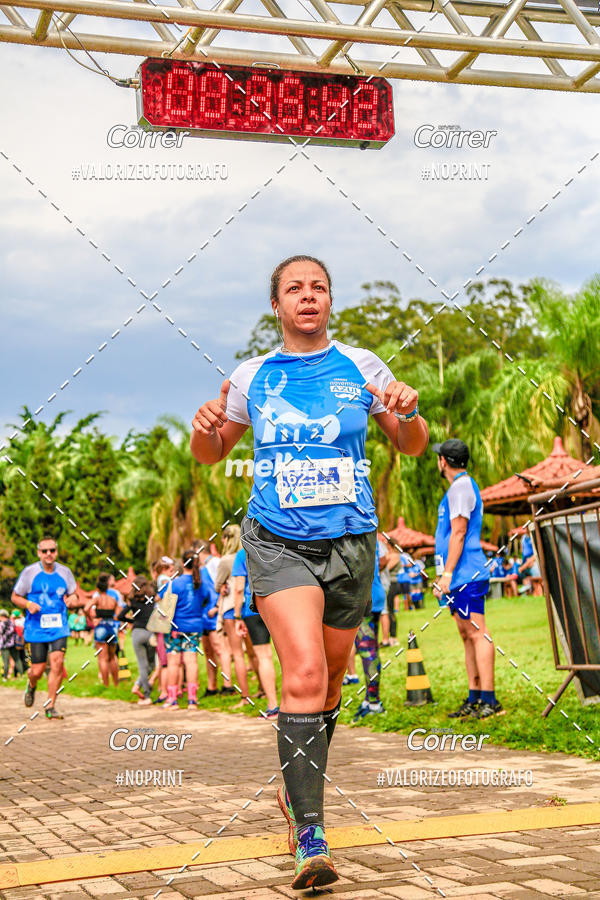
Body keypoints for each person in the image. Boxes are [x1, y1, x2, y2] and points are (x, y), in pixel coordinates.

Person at [191, 255, 428, 889]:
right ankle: (310, 832)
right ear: (276, 305)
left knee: (328, 685)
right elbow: (212, 454)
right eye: (294, 288)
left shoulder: (363, 366)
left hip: (350, 542)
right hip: (277, 539)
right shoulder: (253, 376)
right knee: (302, 673)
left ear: (330, 300)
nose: (307, 296)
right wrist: (204, 427)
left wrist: (407, 410)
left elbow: (411, 444)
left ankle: (296, 787)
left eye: (318, 287)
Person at [432, 439, 503, 720]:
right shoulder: (457, 488)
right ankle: (474, 697)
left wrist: (447, 574)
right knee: (466, 635)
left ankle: (490, 700)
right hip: (457, 575)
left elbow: (459, 532)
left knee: (477, 631)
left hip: (466, 573)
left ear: (444, 462)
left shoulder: (461, 487)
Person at [11, 535, 79, 719]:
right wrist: (27, 604)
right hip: (36, 629)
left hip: (59, 627)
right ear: (38, 553)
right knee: (37, 670)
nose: (49, 554)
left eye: (52, 550)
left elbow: (74, 594)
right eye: (44, 551)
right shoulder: (29, 572)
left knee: (57, 663)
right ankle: (31, 684)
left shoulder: (65, 572)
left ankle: (50, 706)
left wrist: (73, 599)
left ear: (56, 552)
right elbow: (15, 596)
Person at [231, 546, 279, 717]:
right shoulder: (276, 547)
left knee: (264, 656)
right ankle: (295, 706)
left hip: (254, 608)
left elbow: (238, 588)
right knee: (287, 656)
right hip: (278, 605)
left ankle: (273, 705)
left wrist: (237, 616)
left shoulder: (243, 553)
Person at [158, 549, 208, 709]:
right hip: (195, 626)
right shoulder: (200, 583)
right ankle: (192, 699)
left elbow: (160, 598)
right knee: (191, 661)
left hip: (175, 628)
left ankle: (172, 699)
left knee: (173, 663)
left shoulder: (174, 583)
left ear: (182, 563)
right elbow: (207, 599)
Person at [352, 539, 387, 721]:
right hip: (375, 592)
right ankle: (370, 699)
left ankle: (374, 702)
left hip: (364, 596)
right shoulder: (369, 527)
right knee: (371, 649)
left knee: (368, 650)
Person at [215, 525, 247, 698]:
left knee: (238, 653)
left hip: (231, 608)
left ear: (227, 539)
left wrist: (221, 587)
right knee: (257, 653)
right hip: (250, 605)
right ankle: (263, 691)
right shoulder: (248, 555)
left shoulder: (226, 560)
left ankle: (244, 697)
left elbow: (217, 585)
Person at [117, 578, 157, 705]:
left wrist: (133, 621)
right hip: (150, 633)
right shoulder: (152, 600)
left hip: (137, 633)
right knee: (152, 665)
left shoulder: (132, 601)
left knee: (142, 665)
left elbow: (120, 616)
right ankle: (140, 687)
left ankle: (146, 695)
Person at [85, 573, 120, 687]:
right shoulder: (113, 600)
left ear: (98, 589)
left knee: (102, 659)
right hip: (111, 627)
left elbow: (86, 608)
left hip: (101, 627)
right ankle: (116, 684)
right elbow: (118, 615)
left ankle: (106, 685)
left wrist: (92, 619)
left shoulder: (97, 598)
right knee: (112, 657)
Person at [519, 531, 543, 596]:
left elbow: (536, 553)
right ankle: (529, 591)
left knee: (537, 579)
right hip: (526, 563)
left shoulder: (534, 536)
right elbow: (522, 552)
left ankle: (538, 592)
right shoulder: (523, 538)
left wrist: (528, 562)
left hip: (534, 562)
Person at [0, 610, 20, 679]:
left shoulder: (2, 624)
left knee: (6, 661)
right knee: (15, 660)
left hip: (4, 645)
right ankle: (19, 674)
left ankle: (5, 676)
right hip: (12, 644)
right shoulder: (11, 622)